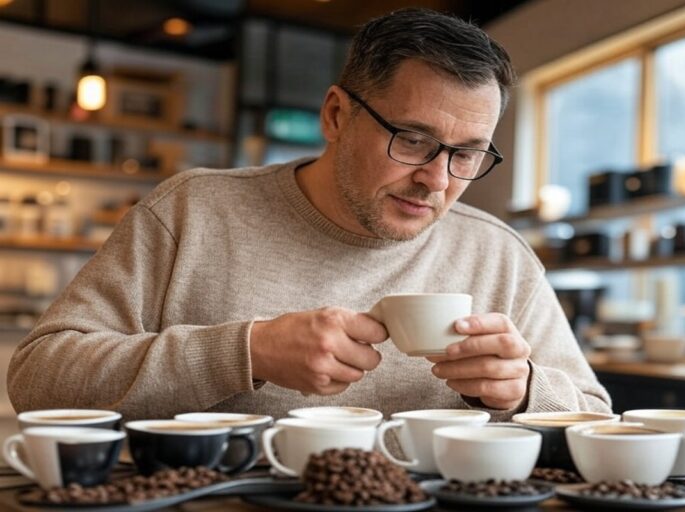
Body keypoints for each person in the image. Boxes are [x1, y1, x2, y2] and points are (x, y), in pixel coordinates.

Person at [8, 8, 611, 421]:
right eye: (412, 139)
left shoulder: (497, 255)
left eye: (467, 155)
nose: (437, 178)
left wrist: (527, 391)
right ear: (336, 116)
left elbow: (594, 410)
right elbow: (37, 381)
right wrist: (247, 351)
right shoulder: (192, 212)